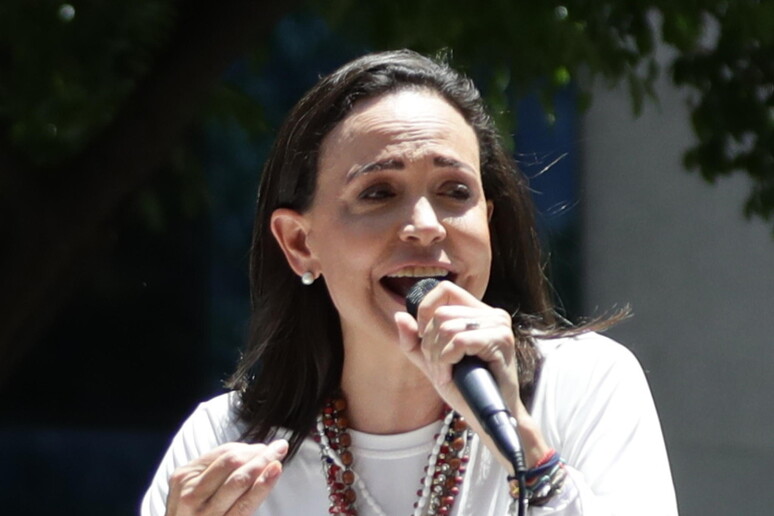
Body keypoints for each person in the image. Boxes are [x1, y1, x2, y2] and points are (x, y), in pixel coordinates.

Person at [141, 49, 678, 516]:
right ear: (300, 244)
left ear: (488, 223)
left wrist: (522, 443)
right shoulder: (223, 444)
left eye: (454, 191)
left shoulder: (584, 386)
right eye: (378, 193)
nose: (425, 225)